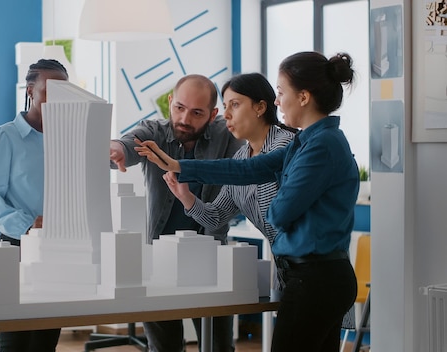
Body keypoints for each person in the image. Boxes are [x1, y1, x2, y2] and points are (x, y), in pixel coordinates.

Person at [136, 52, 359, 352]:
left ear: (303, 97)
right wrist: (178, 166)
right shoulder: (304, 143)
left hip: (316, 279)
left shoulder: (319, 146)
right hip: (307, 277)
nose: (279, 101)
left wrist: (281, 188)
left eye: (281, 93)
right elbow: (246, 170)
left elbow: (278, 214)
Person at [110, 74, 243, 352]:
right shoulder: (154, 131)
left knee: (219, 347)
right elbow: (131, 143)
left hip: (211, 258)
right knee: (164, 348)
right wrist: (118, 149)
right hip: (158, 262)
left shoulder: (227, 136)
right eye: (179, 108)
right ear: (170, 102)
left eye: (196, 113)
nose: (184, 118)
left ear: (212, 114)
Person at [162, 72, 296, 290]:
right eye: (225, 106)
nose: (227, 115)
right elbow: (215, 218)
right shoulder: (242, 156)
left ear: (260, 107)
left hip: (310, 267)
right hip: (285, 270)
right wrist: (185, 196)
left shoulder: (286, 146)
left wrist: (182, 167)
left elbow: (250, 172)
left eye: (234, 105)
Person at [0, 59, 68, 352]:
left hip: (58, 250)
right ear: (31, 90)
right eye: (49, 90)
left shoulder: (67, 138)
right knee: (14, 344)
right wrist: (27, 224)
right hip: (16, 250)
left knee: (45, 344)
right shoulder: (5, 137)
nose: (56, 98)